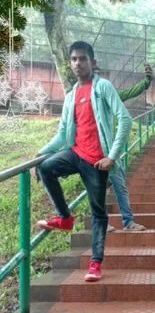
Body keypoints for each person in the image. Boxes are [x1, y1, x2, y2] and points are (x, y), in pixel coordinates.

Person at [34, 41, 132, 282]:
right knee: (45, 167)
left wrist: (112, 157)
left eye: (83, 59)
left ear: (93, 62)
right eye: (75, 59)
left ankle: (96, 262)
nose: (78, 63)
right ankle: (65, 218)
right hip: (75, 153)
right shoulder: (71, 96)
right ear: (70, 64)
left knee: (98, 212)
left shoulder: (103, 87)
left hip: (97, 161)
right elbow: (62, 133)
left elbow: (125, 119)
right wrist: (40, 153)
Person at [93, 64, 153, 232]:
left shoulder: (109, 93)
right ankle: (101, 223)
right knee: (99, 188)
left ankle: (128, 222)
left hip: (111, 152)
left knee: (120, 186)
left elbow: (131, 92)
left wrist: (147, 81)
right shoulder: (81, 98)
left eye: (99, 74)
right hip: (92, 152)